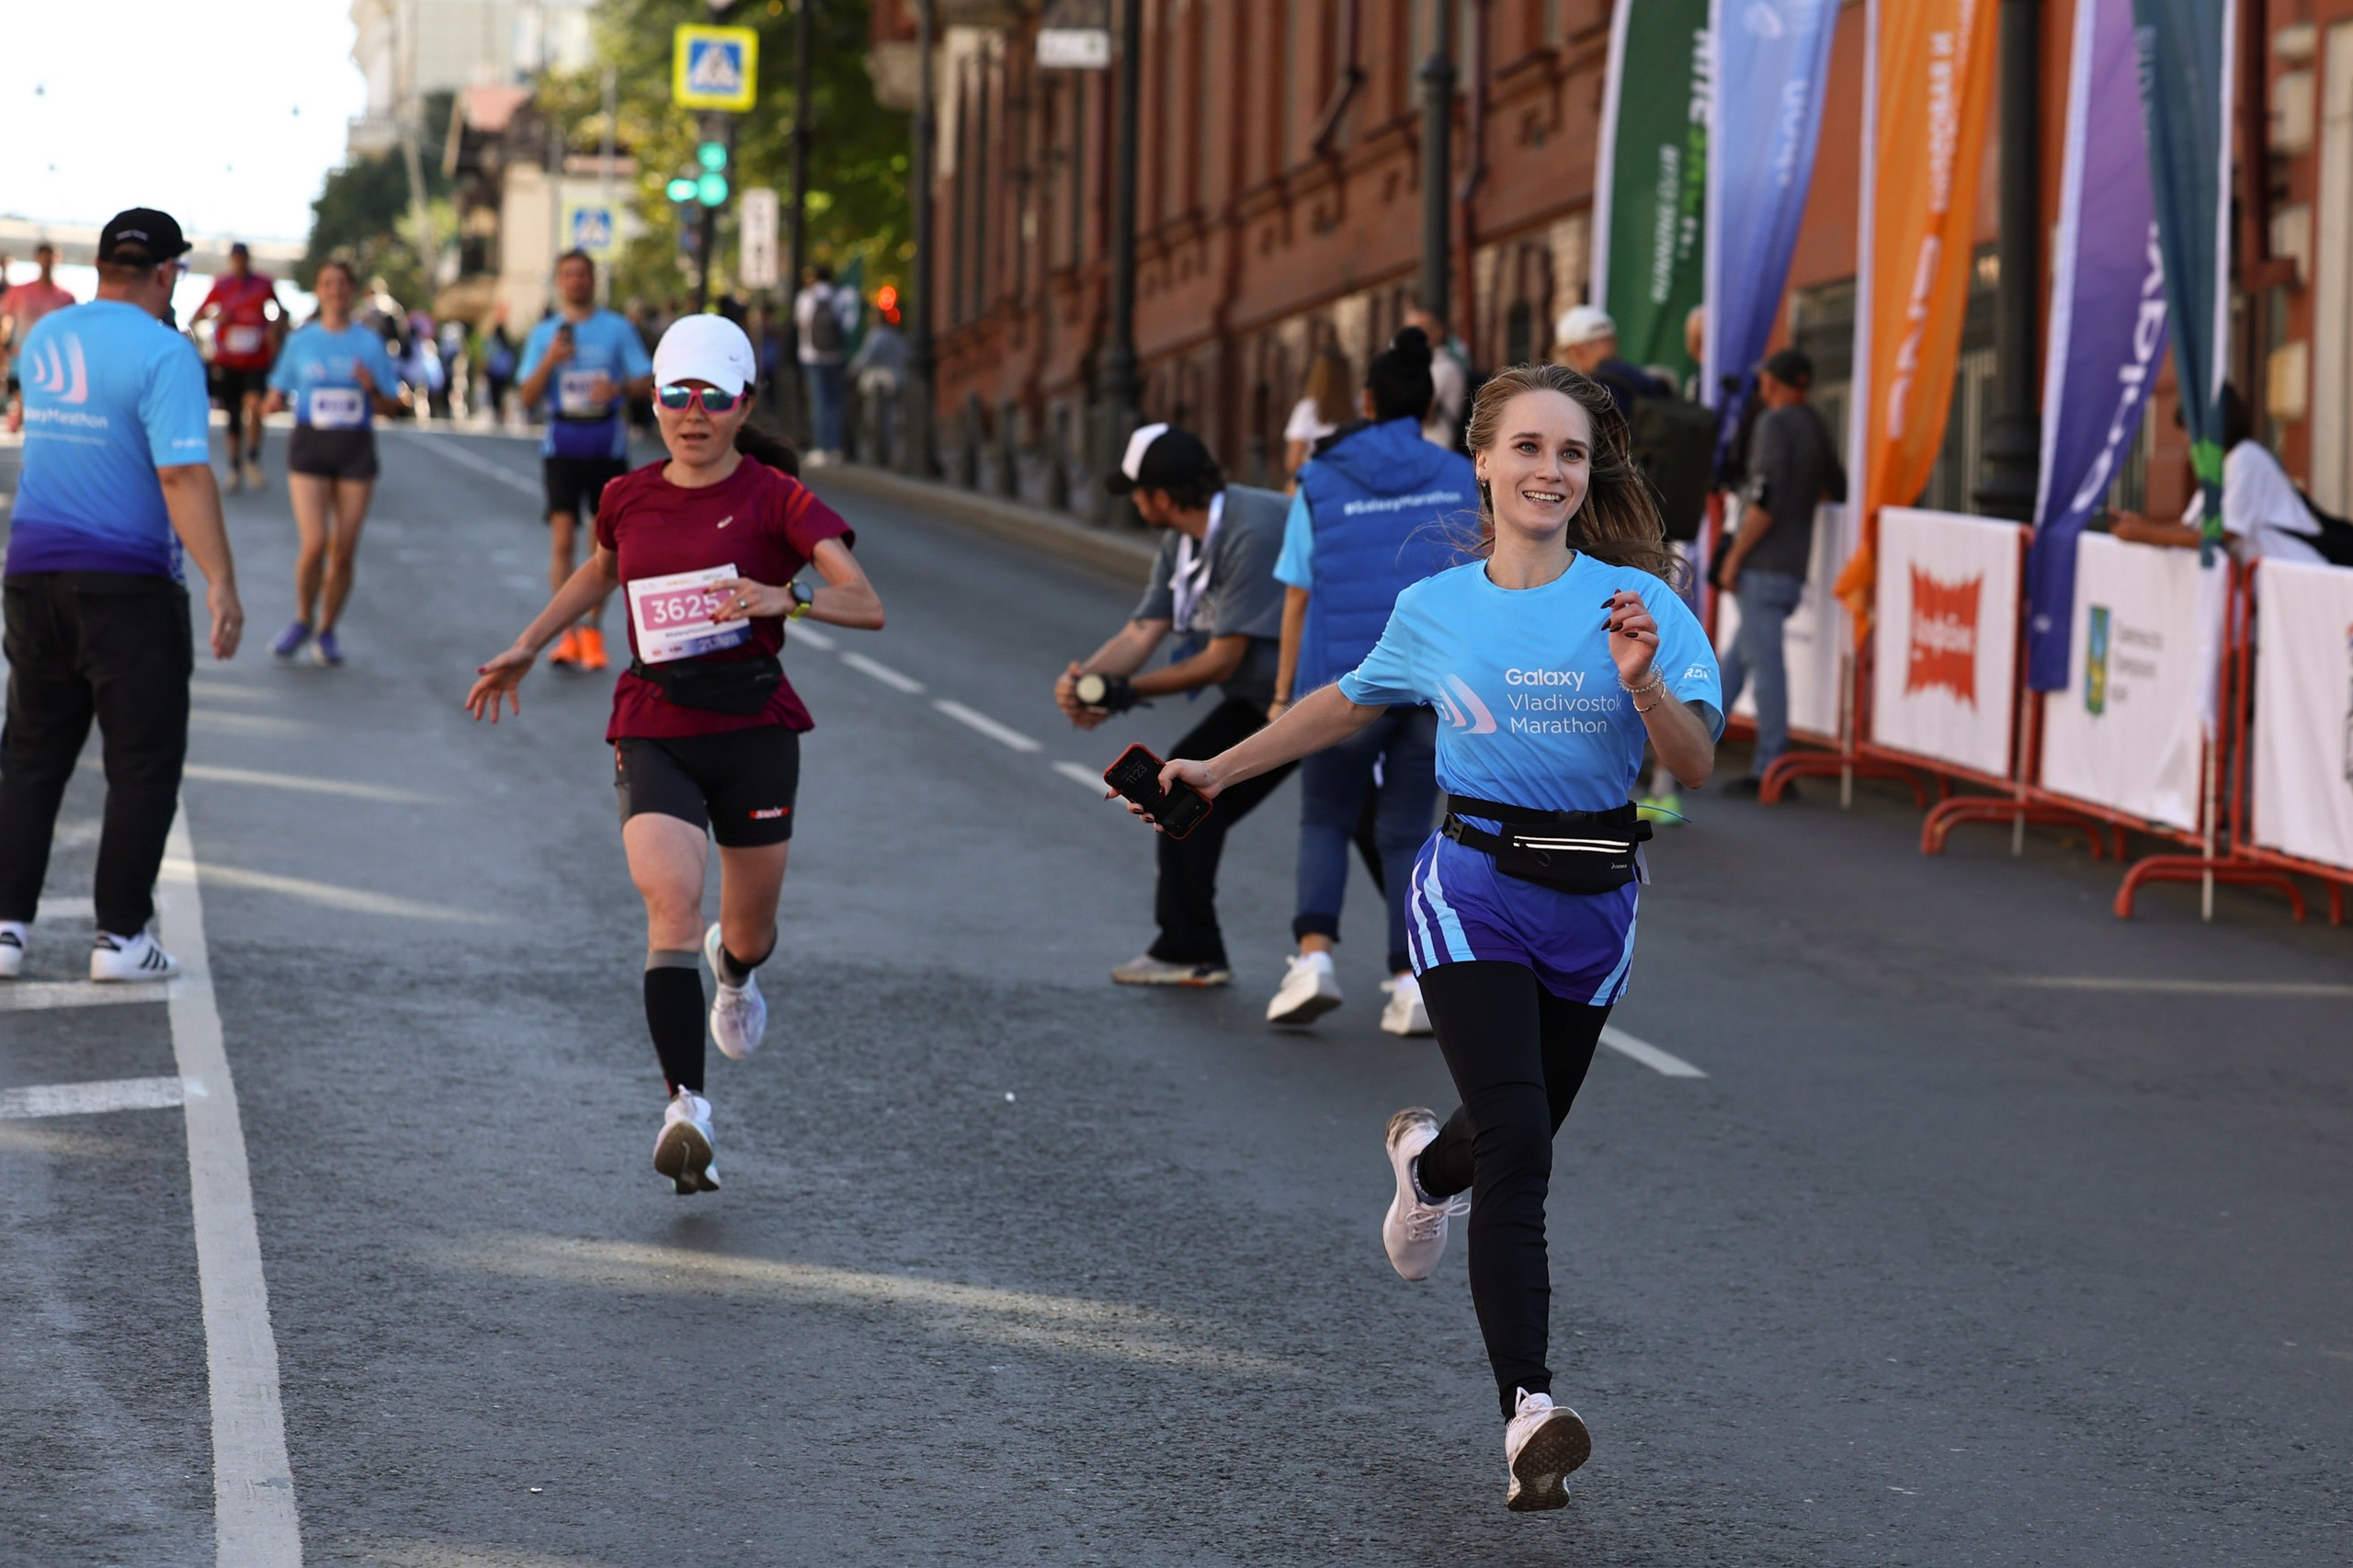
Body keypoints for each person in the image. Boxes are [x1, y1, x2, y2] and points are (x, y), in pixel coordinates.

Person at [1130, 361, 1722, 1511]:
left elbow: (1690, 768)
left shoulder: (1637, 604)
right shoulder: (1437, 606)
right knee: (1524, 1147)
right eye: (1529, 449)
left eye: (1571, 453)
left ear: (1585, 473)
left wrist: (1643, 686)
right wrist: (1212, 765)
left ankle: (1422, 1166)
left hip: (1596, 899)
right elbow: (1344, 699)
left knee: (1508, 1130)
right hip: (1472, 886)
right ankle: (1529, 1413)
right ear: (1486, 463)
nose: (1550, 470)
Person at [466, 314, 884, 1195]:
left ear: (742, 406)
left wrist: (786, 595)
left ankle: (733, 974)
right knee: (669, 902)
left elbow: (866, 602)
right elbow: (600, 569)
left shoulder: (780, 499)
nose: (691, 414)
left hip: (756, 733)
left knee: (746, 931)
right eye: (674, 397)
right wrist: (531, 642)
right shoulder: (627, 494)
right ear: (653, 401)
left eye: (711, 398)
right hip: (655, 722)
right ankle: (687, 1109)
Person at [0, 209, 245, 983]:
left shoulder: (46, 337)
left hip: (33, 572)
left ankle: (5, 929)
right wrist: (222, 582)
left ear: (103, 266)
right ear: (168, 273)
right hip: (126, 587)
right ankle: (121, 938)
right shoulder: (166, 353)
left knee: (31, 757)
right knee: (142, 760)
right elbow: (180, 475)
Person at [1265, 327, 1471, 1035]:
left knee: (1324, 817)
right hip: (1430, 687)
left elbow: (1296, 592)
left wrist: (1284, 694)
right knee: (1408, 833)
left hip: (1341, 682)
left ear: (1366, 400)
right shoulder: (1459, 477)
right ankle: (1410, 982)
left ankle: (1313, 960)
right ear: (1429, 405)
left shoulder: (1319, 479)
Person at [1054, 424, 1290, 987]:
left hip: (1324, 699)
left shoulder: (1250, 531)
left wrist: (1126, 693)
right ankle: (1189, 945)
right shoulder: (1183, 540)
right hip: (1266, 700)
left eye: (1135, 491)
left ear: (1161, 496)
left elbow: (1221, 661)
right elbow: (1142, 631)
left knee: (1373, 829)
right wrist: (1088, 680)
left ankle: (1433, 966)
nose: (1133, 502)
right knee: (1184, 797)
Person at [1713, 347, 1845, 795]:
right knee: (1735, 662)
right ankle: (1694, 740)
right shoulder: (1815, 424)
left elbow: (1764, 500)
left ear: (1774, 383)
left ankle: (1772, 768)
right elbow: (1836, 484)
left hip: (1764, 562)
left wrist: (1734, 556)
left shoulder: (1775, 424)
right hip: (1792, 561)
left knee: (1764, 668)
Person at [261, 260, 405, 666]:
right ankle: (303, 617)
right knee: (315, 544)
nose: (335, 290)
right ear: (318, 291)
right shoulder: (301, 341)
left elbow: (392, 406)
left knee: (343, 550)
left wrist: (371, 388)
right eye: (328, 284)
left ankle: (326, 630)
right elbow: (276, 393)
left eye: (342, 284)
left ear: (354, 290)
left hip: (355, 447)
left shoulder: (370, 344)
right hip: (311, 444)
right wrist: (268, 404)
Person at [517, 250, 655, 672]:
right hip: (562, 443)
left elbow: (646, 379)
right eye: (569, 275)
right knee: (562, 539)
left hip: (606, 444)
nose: (576, 281)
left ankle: (592, 631)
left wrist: (616, 389)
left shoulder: (616, 328)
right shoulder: (545, 333)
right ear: (559, 282)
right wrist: (550, 362)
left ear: (593, 280)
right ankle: (567, 634)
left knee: (604, 548)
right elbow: (526, 397)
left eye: (583, 274)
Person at [2110, 384, 2332, 566]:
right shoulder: (2220, 467)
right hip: (2270, 586)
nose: (2187, 441)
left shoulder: (2246, 458)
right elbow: (2189, 527)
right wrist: (2141, 526)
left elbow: (2224, 533)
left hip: (2297, 578)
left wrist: (2147, 535)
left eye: (2190, 430)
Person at [192, 243, 285, 493]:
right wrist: (217, 318)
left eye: (242, 259)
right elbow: (199, 315)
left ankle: (253, 458)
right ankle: (235, 466)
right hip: (228, 360)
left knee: (255, 405)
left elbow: (279, 312)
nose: (239, 263)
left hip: (256, 360)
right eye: (235, 259)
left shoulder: (263, 284)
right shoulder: (222, 285)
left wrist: (273, 330)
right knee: (232, 415)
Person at [2, 244, 77, 433]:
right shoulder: (19, 291)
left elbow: (72, 331)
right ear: (37, 259)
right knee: (21, 393)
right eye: (44, 258)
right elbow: (4, 319)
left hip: (51, 358)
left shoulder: (66, 296)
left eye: (50, 259)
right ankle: (19, 418)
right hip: (20, 355)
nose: (47, 263)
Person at [1552, 305, 1672, 420]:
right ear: (1613, 340)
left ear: (1578, 351)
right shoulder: (1640, 377)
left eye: (1567, 353)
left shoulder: (1597, 389)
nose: (1569, 360)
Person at [793, 266, 857, 464]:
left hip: (812, 356)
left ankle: (821, 447)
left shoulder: (806, 298)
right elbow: (849, 324)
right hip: (836, 356)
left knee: (818, 402)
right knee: (834, 403)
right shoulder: (841, 297)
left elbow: (800, 323)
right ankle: (834, 449)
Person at [1282, 346, 1355, 485]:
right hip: (1348, 483)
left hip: (1316, 482)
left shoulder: (1308, 409)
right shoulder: (1358, 407)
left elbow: (1293, 461)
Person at [1404, 306, 1470, 449]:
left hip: (1435, 456)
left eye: (1420, 329)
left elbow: (1422, 412)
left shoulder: (1445, 368)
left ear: (1438, 332)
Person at [482, 316, 517, 426]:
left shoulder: (493, 342)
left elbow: (487, 357)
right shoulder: (507, 343)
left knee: (494, 394)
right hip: (504, 374)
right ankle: (500, 413)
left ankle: (497, 413)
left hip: (494, 373)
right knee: (501, 394)